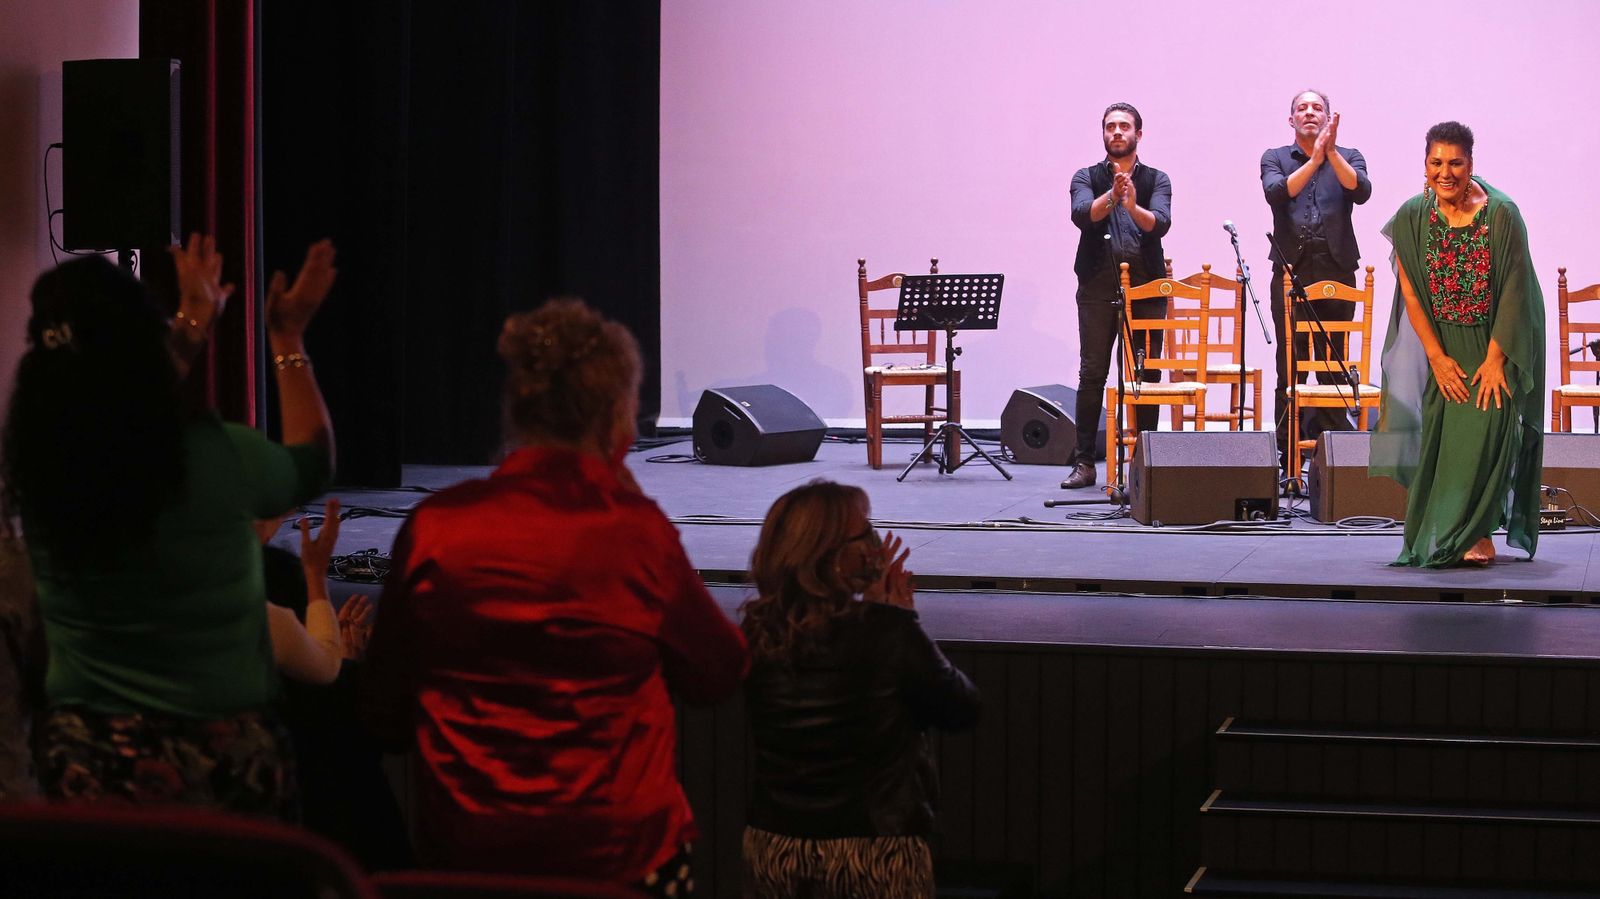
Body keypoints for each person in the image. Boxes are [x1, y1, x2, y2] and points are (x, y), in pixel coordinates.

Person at [360, 298, 748, 894]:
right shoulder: (635, 534)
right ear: (615, 416)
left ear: (516, 410)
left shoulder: (437, 527)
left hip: (464, 864)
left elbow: (383, 710)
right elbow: (719, 672)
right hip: (619, 865)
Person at [1, 235, 338, 817]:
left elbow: (106, 400)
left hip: (87, 771)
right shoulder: (218, 457)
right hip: (224, 773)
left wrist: (192, 323)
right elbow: (311, 461)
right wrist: (287, 340)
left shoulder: (42, 475)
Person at [740, 480, 980, 899]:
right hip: (874, 852)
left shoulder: (758, 631)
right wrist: (902, 618)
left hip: (775, 844)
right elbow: (962, 708)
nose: (875, 543)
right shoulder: (886, 631)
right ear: (829, 557)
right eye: (864, 533)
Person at [1372, 121, 1544, 567]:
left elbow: (1514, 290)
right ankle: (1453, 530)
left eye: (1455, 163)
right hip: (1445, 347)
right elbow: (1411, 293)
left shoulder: (1501, 213)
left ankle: (1480, 532)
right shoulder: (1413, 216)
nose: (1444, 172)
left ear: (1471, 164)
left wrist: (1494, 361)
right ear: (1424, 164)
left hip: (1496, 343)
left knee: (1490, 427)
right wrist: (1436, 358)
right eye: (1435, 163)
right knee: (1446, 440)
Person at [1261, 89, 1374, 469]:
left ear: (1328, 117)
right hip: (1291, 271)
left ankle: (1332, 455)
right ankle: (1287, 455)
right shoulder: (1274, 158)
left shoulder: (1350, 156)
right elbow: (1277, 192)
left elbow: (1361, 191)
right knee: (1290, 362)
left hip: (1337, 269)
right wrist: (1315, 158)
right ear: (1290, 119)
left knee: (1333, 361)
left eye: (1317, 108)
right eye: (1301, 108)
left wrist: (1332, 153)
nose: (1309, 112)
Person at [1063, 102, 1173, 489]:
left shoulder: (1157, 179)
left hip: (1145, 288)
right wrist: (1111, 196)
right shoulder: (1086, 176)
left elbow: (1159, 224)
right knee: (1092, 373)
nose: (1117, 132)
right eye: (1110, 126)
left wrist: (1130, 203)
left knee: (1145, 374)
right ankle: (1085, 463)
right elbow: (1082, 214)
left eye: (1124, 126)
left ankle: (1145, 460)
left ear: (1138, 134)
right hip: (1096, 286)